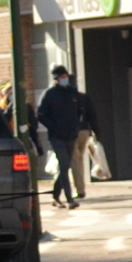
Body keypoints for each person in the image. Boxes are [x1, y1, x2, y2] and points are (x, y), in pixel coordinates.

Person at [36, 68, 98, 209]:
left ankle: (56, 196)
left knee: (66, 166)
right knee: (64, 165)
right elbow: (41, 114)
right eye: (62, 76)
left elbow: (79, 111)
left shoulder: (72, 93)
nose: (65, 78)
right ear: (56, 79)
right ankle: (70, 199)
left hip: (71, 135)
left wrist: (76, 125)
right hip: (57, 137)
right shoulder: (49, 94)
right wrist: (53, 126)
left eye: (66, 76)